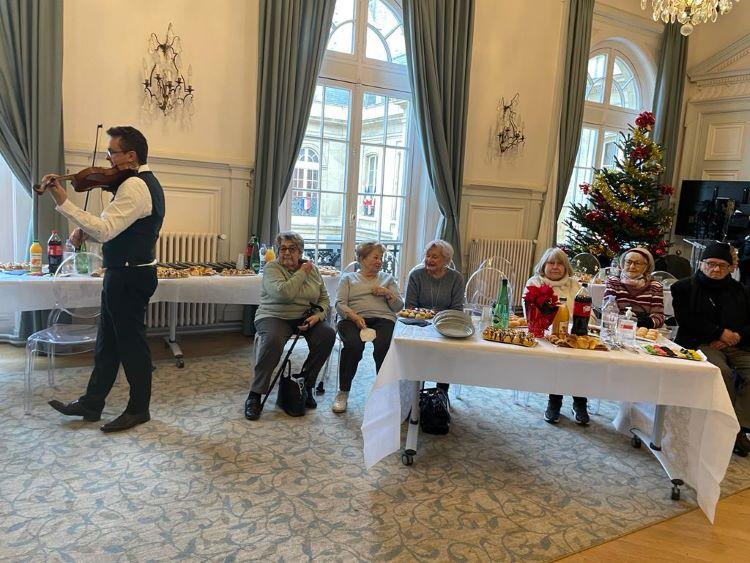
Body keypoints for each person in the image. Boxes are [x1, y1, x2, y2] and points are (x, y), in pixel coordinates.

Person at [36, 126, 164, 432]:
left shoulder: (135, 186)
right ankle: (92, 404)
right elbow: (113, 226)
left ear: (131, 156)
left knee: (132, 345)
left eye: (113, 152)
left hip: (130, 276)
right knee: (107, 344)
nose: (107, 159)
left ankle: (139, 409)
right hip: (123, 273)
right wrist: (85, 228)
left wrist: (64, 201)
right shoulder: (135, 182)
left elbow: (106, 230)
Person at [244, 231, 335, 420]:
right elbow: (284, 294)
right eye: (282, 248)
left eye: (292, 249)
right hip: (273, 315)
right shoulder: (272, 268)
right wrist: (302, 272)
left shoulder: (314, 269)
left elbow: (325, 299)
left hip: (305, 317)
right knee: (273, 340)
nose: (286, 253)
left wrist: (318, 316)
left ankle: (305, 384)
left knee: (327, 334)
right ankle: (255, 394)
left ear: (300, 252)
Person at [671, 241, 750, 456]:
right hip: (699, 342)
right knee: (720, 372)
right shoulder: (683, 287)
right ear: (701, 264)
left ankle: (737, 427)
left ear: (730, 268)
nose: (715, 269)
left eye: (722, 266)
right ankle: (723, 427)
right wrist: (718, 333)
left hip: (735, 344)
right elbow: (687, 320)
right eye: (711, 264)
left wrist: (735, 337)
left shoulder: (741, 291)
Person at [334, 242, 403, 413]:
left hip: (383, 319)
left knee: (384, 346)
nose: (380, 261)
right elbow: (339, 304)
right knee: (353, 346)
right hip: (353, 318)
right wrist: (354, 316)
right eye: (375, 257)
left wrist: (387, 293)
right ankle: (343, 391)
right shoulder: (348, 279)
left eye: (381, 257)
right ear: (362, 259)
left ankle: (385, 392)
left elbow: (399, 307)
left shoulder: (388, 279)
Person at [525, 248, 589, 425]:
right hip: (543, 336)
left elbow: (585, 314)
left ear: (566, 267)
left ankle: (580, 403)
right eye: (551, 263)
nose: (555, 267)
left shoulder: (575, 285)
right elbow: (529, 315)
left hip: (572, 335)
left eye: (560, 263)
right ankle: (554, 403)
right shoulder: (535, 282)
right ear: (543, 266)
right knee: (559, 360)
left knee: (581, 360)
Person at [405, 239, 464, 392]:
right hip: (419, 324)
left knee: (448, 351)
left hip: (445, 326)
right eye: (428, 256)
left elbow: (457, 309)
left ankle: (441, 392)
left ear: (446, 260)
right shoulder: (416, 275)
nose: (429, 260)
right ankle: (415, 393)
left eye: (435, 257)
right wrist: (426, 317)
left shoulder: (456, 278)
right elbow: (410, 306)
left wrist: (436, 318)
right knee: (417, 351)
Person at [603, 247, 665, 329]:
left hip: (643, 331)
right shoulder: (614, 282)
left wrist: (640, 322)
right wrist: (625, 320)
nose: (632, 267)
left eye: (637, 263)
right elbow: (608, 310)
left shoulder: (655, 286)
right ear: (623, 264)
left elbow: (659, 316)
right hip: (616, 328)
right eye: (628, 262)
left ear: (646, 267)